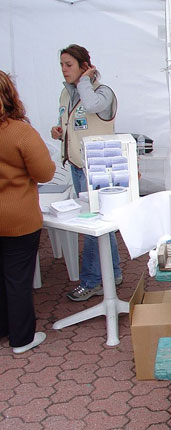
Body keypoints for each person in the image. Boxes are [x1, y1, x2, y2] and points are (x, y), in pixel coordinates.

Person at [50, 44, 123, 302]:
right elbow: (69, 121)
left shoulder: (102, 92)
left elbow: (91, 107)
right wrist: (58, 132)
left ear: (84, 66)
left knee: (93, 226)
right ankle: (112, 273)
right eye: (61, 65)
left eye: (69, 65)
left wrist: (85, 81)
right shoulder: (65, 94)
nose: (64, 70)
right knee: (100, 225)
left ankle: (92, 280)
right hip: (78, 166)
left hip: (99, 169)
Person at [0, 70, 56, 354]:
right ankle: (22, 338)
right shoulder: (19, 132)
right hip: (18, 218)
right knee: (18, 278)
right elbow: (45, 172)